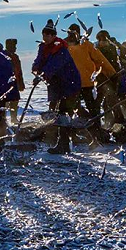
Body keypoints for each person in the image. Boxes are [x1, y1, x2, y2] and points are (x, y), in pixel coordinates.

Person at [32, 19, 82, 154]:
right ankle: (62, 140)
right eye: (44, 34)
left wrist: (42, 75)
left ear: (54, 36)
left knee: (64, 113)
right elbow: (39, 61)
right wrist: (36, 69)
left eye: (49, 35)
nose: (46, 37)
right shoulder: (44, 48)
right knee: (60, 113)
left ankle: (65, 143)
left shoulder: (61, 49)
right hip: (57, 84)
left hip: (69, 84)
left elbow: (53, 66)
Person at [66, 24, 116, 142]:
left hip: (87, 83)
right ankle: (73, 134)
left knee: (93, 108)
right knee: (71, 109)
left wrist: (111, 73)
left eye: (74, 33)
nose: (72, 35)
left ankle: (96, 134)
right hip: (71, 84)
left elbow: (100, 60)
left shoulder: (87, 45)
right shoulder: (64, 45)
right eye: (70, 33)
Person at [95, 31, 126, 126]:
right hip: (100, 79)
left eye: (103, 40)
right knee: (102, 102)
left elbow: (122, 60)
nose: (102, 42)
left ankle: (118, 120)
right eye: (100, 40)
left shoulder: (113, 48)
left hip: (112, 78)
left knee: (110, 99)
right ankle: (108, 122)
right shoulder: (97, 50)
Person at [4, 39, 25, 125]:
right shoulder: (3, 55)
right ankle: (3, 119)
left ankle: (14, 118)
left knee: (15, 101)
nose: (15, 48)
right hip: (5, 83)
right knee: (4, 102)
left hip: (15, 82)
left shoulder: (16, 57)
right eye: (13, 46)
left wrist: (21, 82)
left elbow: (19, 71)